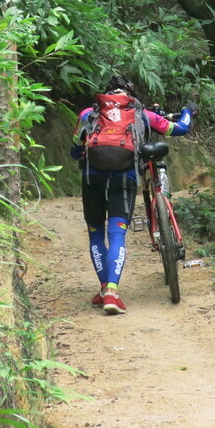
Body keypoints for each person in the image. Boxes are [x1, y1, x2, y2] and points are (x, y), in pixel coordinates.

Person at [70, 75, 196, 315]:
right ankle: (112, 294)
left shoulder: (88, 114)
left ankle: (104, 287)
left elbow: (75, 150)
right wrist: (187, 110)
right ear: (131, 96)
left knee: (96, 233)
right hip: (124, 178)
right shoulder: (143, 114)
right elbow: (181, 127)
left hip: (92, 178)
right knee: (117, 232)